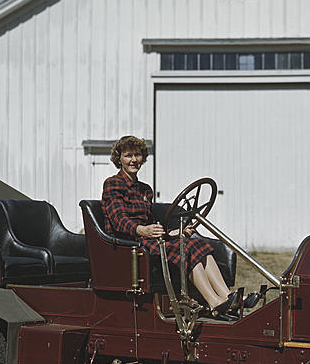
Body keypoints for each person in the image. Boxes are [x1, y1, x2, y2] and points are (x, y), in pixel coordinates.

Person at [101, 135, 240, 318]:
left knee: (195, 243)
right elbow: (118, 219)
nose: (134, 160)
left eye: (137, 155)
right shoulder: (113, 184)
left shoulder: (145, 189)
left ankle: (227, 297)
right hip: (129, 244)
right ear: (119, 159)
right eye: (128, 156)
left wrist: (174, 233)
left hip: (148, 239)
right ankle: (214, 303)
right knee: (186, 248)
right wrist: (142, 230)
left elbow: (151, 223)